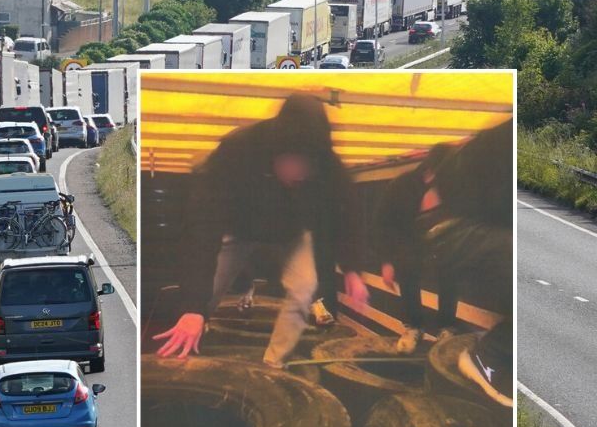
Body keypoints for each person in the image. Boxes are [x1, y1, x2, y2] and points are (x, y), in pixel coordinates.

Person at [150, 93, 369, 367]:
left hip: (291, 233)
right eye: (292, 163)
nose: (299, 174)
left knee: (305, 288)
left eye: (307, 166)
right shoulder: (237, 150)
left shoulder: (327, 164)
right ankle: (192, 335)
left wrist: (352, 269)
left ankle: (273, 364)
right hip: (237, 229)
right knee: (203, 295)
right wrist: (194, 307)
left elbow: (347, 215)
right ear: (274, 153)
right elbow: (202, 230)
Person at [415, 120, 513, 406]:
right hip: (448, 229)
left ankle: (453, 331)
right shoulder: (420, 184)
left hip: (472, 224)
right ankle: (486, 356)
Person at [375, 143, 461, 353]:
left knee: (452, 268)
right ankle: (414, 327)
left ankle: (446, 328)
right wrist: (387, 261)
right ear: (429, 170)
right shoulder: (401, 186)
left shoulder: (452, 188)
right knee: (406, 268)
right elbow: (383, 224)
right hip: (406, 240)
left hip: (439, 241)